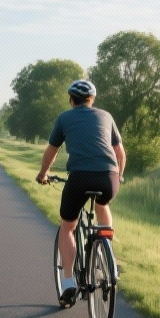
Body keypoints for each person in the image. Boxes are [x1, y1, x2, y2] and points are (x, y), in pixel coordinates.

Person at [35, 79, 125, 304]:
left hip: (79, 178)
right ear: (92, 99)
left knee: (68, 227)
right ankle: (107, 252)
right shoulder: (106, 116)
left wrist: (43, 174)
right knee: (103, 204)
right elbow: (120, 152)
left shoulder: (64, 118)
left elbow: (51, 150)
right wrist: (119, 176)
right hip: (108, 178)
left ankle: (68, 282)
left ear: (70, 99)